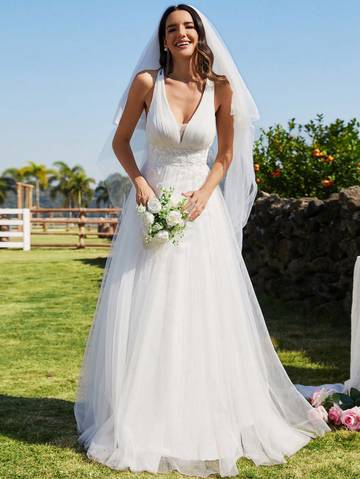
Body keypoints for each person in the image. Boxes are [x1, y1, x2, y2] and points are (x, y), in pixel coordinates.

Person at [74, 4, 331, 477]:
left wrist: (206, 194)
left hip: (200, 211)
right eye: (172, 29)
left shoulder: (220, 88)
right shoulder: (147, 85)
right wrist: (141, 183)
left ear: (200, 35)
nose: (181, 34)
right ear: (163, 40)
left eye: (188, 26)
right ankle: (146, 412)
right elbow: (121, 141)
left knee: (201, 310)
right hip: (151, 209)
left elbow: (227, 153)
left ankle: (205, 407)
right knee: (150, 307)